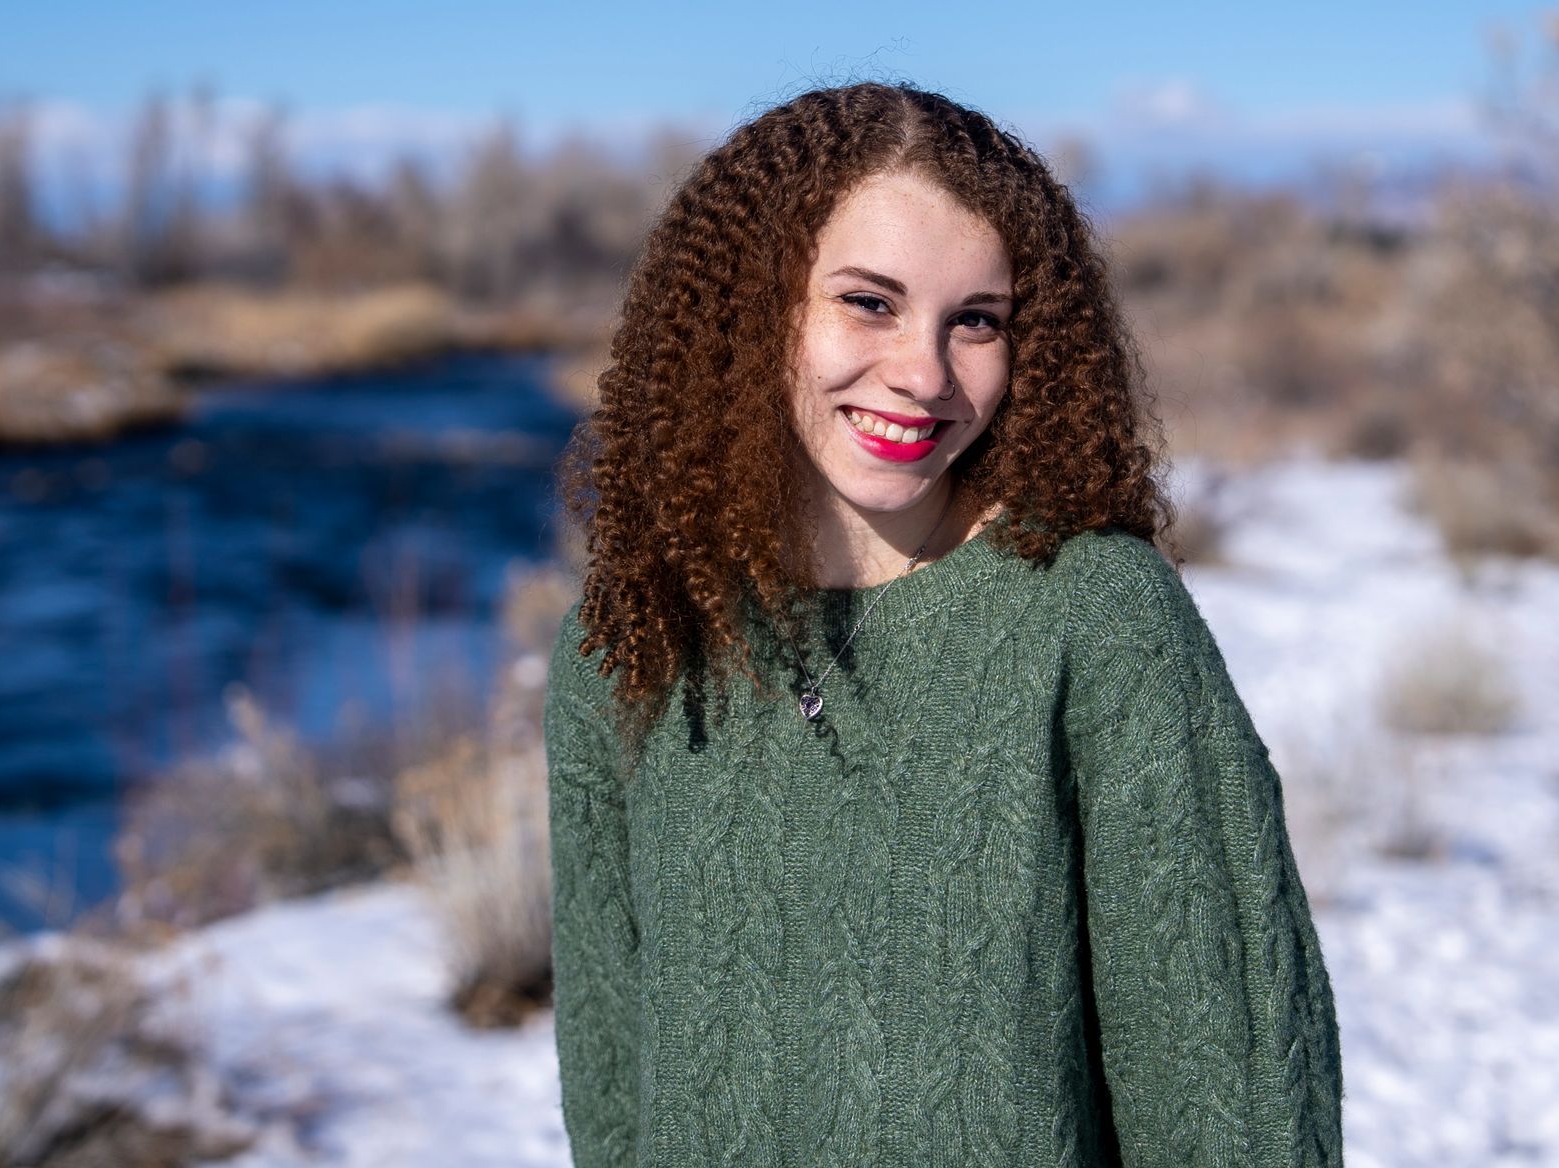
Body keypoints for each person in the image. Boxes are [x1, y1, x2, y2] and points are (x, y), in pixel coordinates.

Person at [543, 81, 1344, 1166]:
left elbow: (1230, 1090)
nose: (925, 373)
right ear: (751, 305)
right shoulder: (632, 639)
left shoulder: (1095, 617)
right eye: (869, 302)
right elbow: (612, 1077)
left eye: (976, 320)